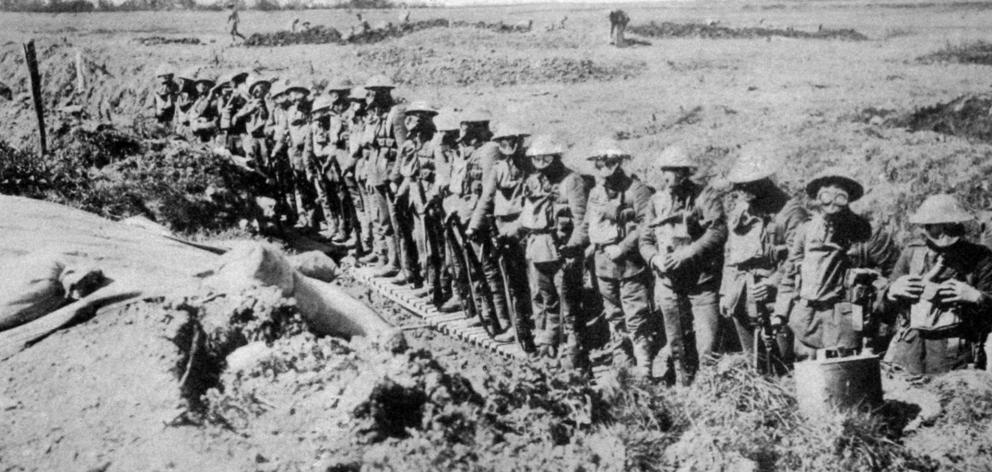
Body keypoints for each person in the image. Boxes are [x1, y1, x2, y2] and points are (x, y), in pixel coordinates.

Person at [640, 145, 726, 385]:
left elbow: (717, 232)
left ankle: (710, 388)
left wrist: (687, 253)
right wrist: (655, 259)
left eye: (673, 170)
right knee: (677, 344)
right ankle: (684, 387)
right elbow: (645, 240)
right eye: (665, 170)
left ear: (684, 172)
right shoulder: (656, 200)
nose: (667, 175)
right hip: (669, 283)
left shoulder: (705, 196)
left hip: (701, 283)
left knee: (707, 344)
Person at [879, 194, 992, 375]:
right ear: (925, 227)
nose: (943, 233)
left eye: (949, 226)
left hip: (957, 354)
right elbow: (883, 312)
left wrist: (975, 296)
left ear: (960, 225)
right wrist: (892, 292)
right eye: (936, 227)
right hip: (910, 353)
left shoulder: (980, 256)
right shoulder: (911, 254)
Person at [719, 144, 807, 371]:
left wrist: (774, 283)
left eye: (749, 184)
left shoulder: (790, 210)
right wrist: (725, 291)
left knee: (782, 361)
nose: (742, 189)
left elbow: (798, 258)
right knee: (754, 362)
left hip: (777, 298)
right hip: (742, 291)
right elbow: (730, 252)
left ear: (764, 180)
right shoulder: (741, 209)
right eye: (740, 185)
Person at [772, 169, 872, 360]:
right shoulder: (806, 230)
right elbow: (790, 274)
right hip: (807, 318)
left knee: (844, 373)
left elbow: (884, 272)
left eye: (840, 196)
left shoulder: (861, 231)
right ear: (818, 198)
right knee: (809, 373)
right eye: (826, 195)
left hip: (844, 317)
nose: (832, 202)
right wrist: (780, 313)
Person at [582, 139, 653, 377]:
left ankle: (645, 369)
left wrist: (623, 247)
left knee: (636, 316)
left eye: (609, 162)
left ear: (618, 162)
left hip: (629, 263)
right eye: (599, 163)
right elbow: (589, 222)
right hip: (603, 262)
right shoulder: (595, 192)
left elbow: (646, 225)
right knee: (613, 315)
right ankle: (623, 362)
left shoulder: (637, 189)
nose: (603, 168)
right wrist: (589, 245)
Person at [519, 134, 589, 368]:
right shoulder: (533, 181)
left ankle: (574, 352)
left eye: (545, 158)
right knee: (544, 300)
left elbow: (582, 221)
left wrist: (573, 249)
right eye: (536, 159)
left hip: (563, 252)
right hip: (538, 249)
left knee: (569, 306)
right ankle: (548, 347)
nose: (540, 163)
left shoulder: (572, 181)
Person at [468, 124, 533, 346]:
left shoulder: (530, 167)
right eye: (503, 142)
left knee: (530, 281)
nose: (508, 146)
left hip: (525, 228)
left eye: (512, 141)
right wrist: (474, 226)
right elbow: (487, 197)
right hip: (502, 229)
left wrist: (520, 226)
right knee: (511, 280)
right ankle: (518, 327)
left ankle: (533, 328)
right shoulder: (498, 168)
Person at [357, 75, 407, 277]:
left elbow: (403, 149)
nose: (372, 96)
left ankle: (404, 266)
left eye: (376, 92)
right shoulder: (376, 115)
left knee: (398, 223)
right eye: (370, 91)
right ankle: (392, 260)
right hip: (377, 173)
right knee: (384, 220)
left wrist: (395, 178)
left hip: (391, 175)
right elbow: (369, 147)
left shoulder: (396, 114)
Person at [393, 101, 440, 293]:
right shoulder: (410, 143)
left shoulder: (435, 142)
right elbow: (407, 173)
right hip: (415, 197)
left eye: (418, 116)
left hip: (429, 199)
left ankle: (434, 285)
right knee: (420, 241)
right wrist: (400, 194)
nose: (412, 120)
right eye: (410, 116)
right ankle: (423, 278)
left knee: (432, 245)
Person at [234, 75, 271, 169]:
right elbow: (236, 118)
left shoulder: (270, 103)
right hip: (252, 136)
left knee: (267, 162)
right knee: (251, 162)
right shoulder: (249, 104)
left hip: (265, 137)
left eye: (263, 89)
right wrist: (251, 109)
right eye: (258, 89)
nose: (261, 92)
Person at [187, 71, 218, 144]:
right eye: (199, 84)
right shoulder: (197, 98)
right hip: (197, 130)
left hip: (208, 130)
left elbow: (201, 110)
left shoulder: (213, 99)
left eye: (204, 84)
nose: (201, 86)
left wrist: (209, 98)